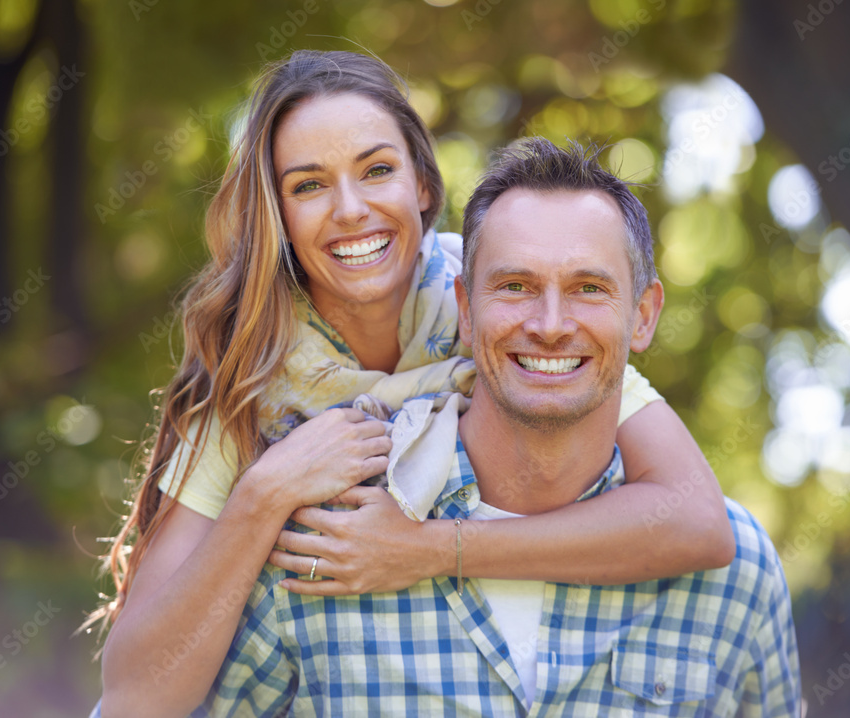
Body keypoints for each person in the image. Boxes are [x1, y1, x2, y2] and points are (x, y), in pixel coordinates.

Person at [93, 51, 736, 718]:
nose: (350, 209)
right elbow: (135, 699)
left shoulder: (507, 309)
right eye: (309, 186)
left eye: (377, 171)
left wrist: (428, 550)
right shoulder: (250, 375)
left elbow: (695, 521)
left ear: (423, 186)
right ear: (276, 214)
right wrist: (266, 489)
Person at [194, 137, 801, 717]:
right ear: (464, 307)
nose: (551, 324)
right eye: (516, 286)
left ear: (642, 316)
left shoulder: (736, 578)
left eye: (589, 288)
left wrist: (435, 551)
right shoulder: (328, 544)